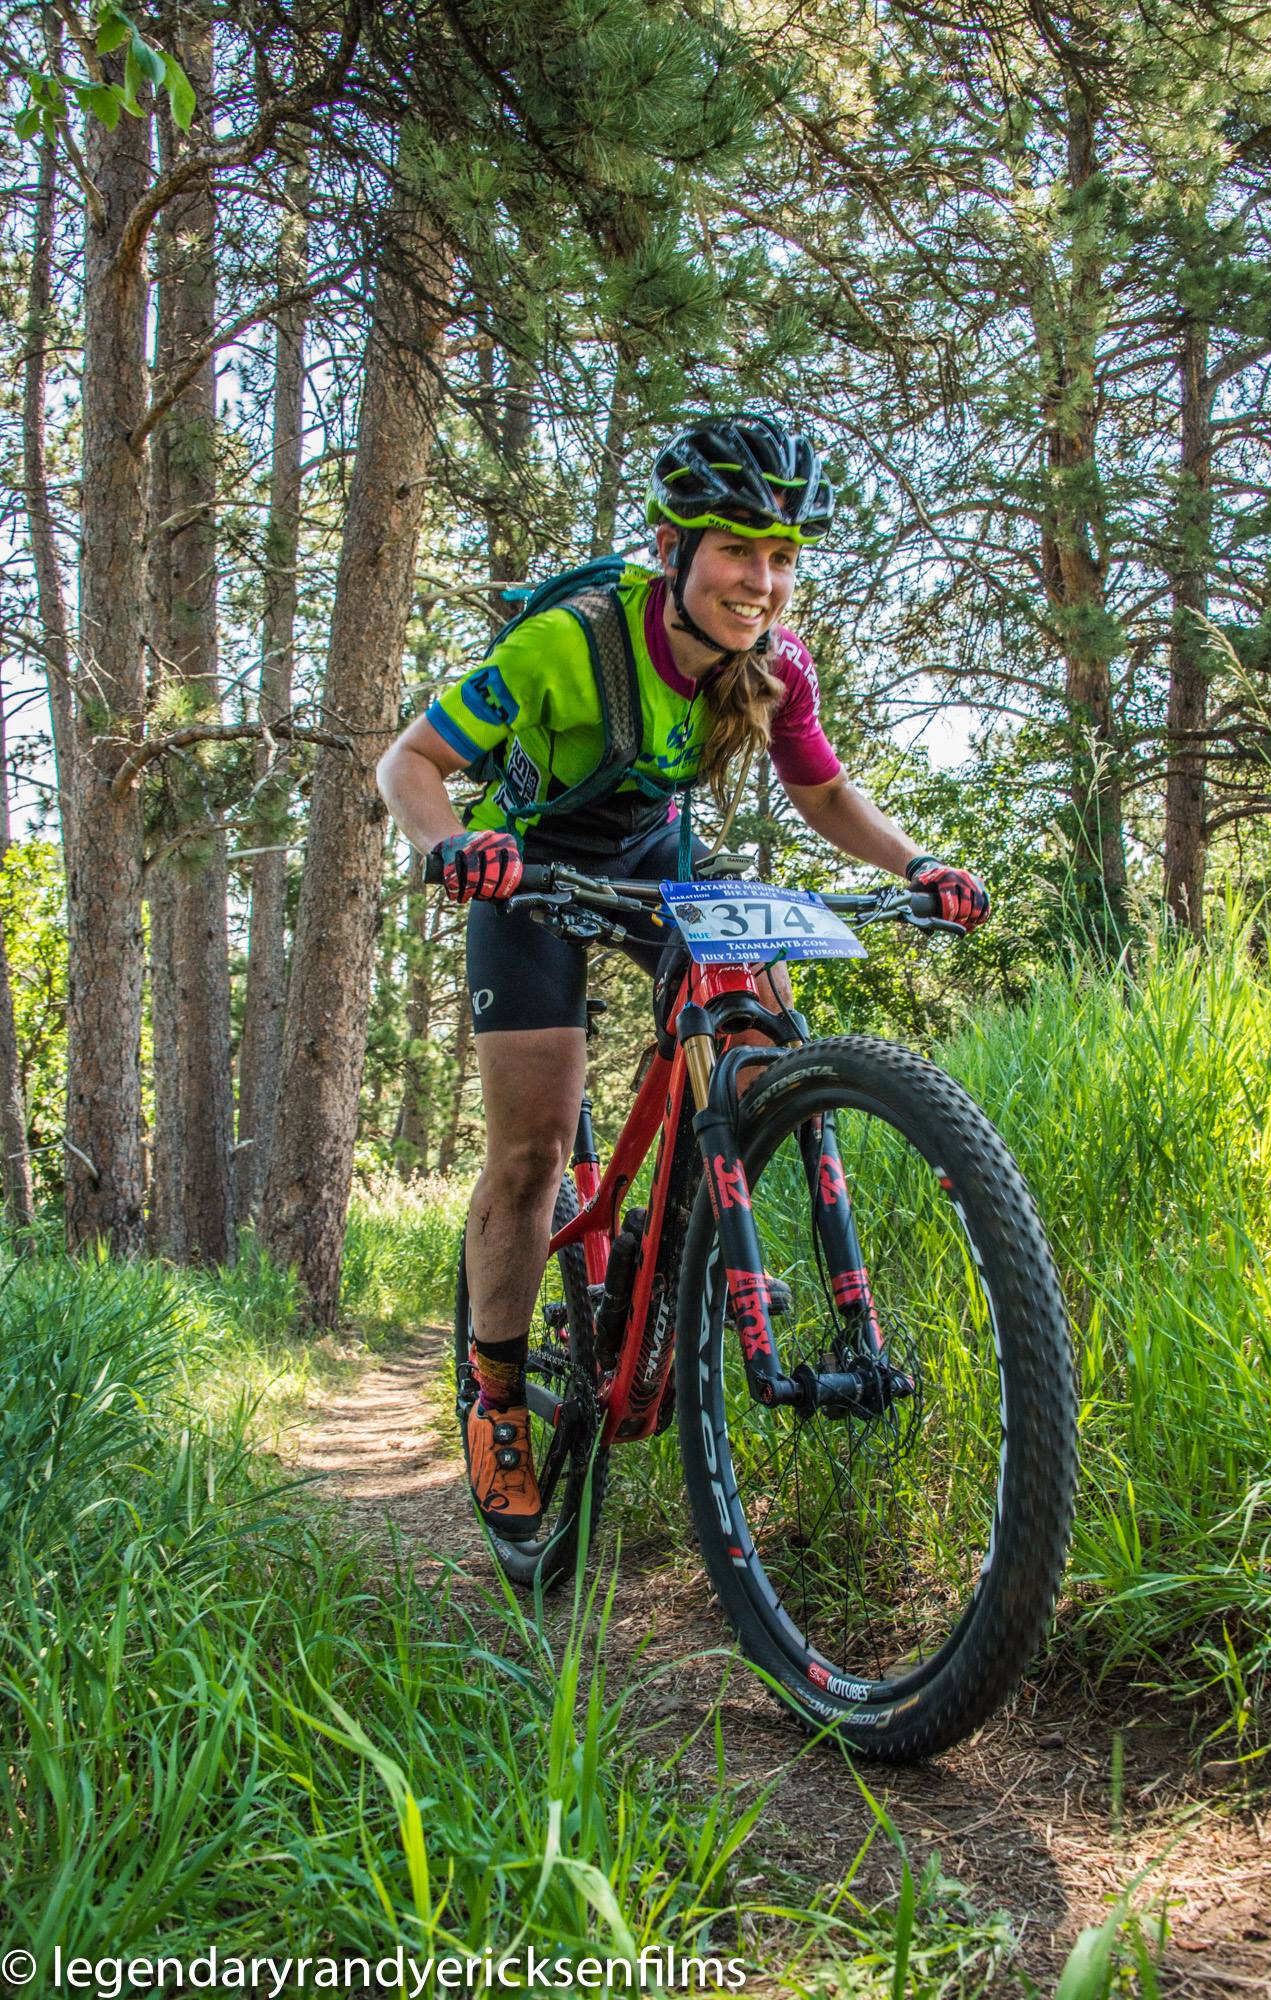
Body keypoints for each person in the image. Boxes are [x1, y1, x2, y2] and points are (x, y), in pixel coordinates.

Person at [376, 413, 989, 1541]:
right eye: (736, 550)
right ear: (673, 548)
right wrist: (452, 845)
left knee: (755, 1012)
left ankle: (698, 1240)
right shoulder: (565, 645)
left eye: (781, 555)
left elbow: (822, 791)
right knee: (531, 1151)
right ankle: (497, 1398)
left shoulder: (777, 665)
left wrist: (917, 863)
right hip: (528, 869)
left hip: (656, 862)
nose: (761, 580)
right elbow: (408, 762)